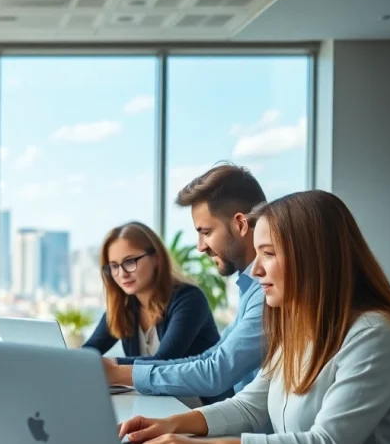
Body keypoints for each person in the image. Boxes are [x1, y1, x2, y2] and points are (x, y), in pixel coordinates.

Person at [118, 191, 390, 444]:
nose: (257, 269)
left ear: (314, 258)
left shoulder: (374, 334)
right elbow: (251, 406)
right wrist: (173, 424)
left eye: (268, 253)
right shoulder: (298, 325)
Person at [103, 164, 267, 403]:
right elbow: (209, 358)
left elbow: (216, 372)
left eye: (206, 232)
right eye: (114, 266)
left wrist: (119, 371)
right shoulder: (250, 287)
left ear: (241, 224)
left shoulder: (267, 291)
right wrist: (115, 367)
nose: (200, 246)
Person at [83, 222, 219, 362]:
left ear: (156, 258)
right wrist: (72, 359)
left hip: (197, 385)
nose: (122, 274)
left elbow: (163, 362)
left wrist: (105, 364)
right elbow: (89, 351)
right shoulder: (123, 307)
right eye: (114, 266)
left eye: (129, 261)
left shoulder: (189, 299)